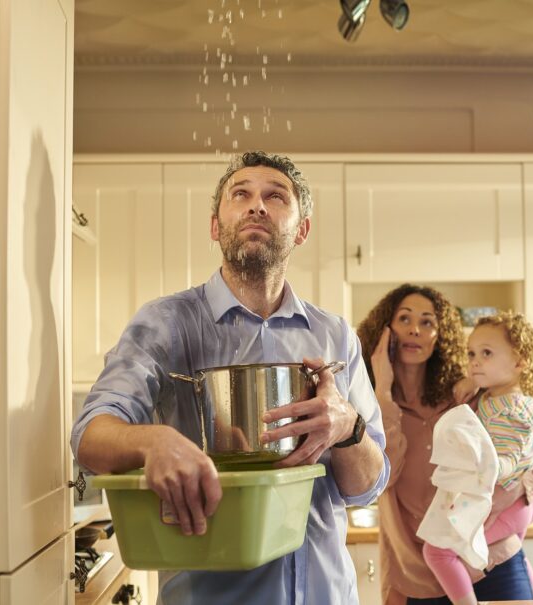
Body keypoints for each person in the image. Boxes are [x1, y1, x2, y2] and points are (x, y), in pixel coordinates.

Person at [71, 151, 388, 604]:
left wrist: (348, 427)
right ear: (215, 226)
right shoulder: (167, 323)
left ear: (301, 230)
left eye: (276, 196)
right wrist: (155, 441)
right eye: (241, 194)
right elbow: (89, 436)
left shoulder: (335, 335)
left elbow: (367, 488)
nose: (257, 205)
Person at [356, 286, 533, 605]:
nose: (415, 329)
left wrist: (509, 497)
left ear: (440, 335)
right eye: (404, 319)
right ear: (384, 330)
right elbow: (380, 478)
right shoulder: (368, 407)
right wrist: (383, 390)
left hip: (492, 562)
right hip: (417, 576)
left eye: (427, 322)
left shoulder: (465, 396)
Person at [421, 311, 533, 605]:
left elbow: (510, 456)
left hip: (510, 502)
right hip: (514, 502)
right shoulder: (494, 398)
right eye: (472, 353)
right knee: (501, 551)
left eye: (486, 353)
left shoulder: (510, 409)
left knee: (437, 551)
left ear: (519, 362)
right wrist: (472, 383)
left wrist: (493, 468)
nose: (475, 361)